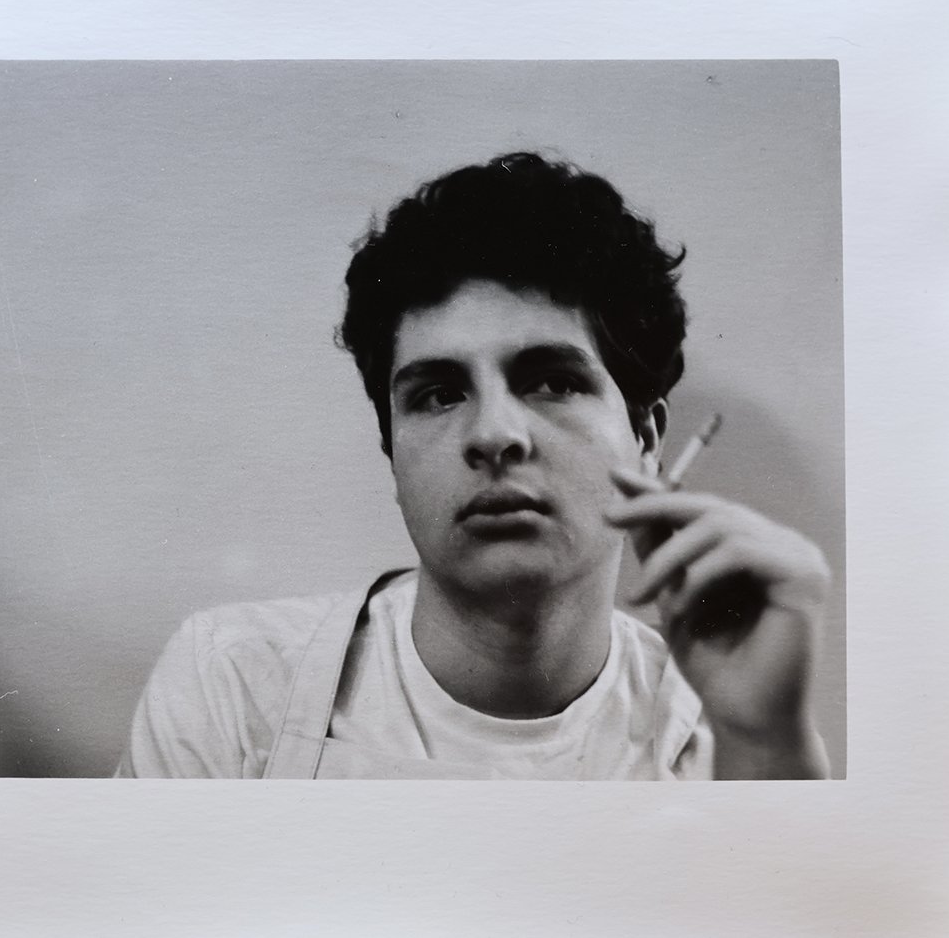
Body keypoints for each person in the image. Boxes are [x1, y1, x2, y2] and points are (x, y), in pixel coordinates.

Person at [117, 152, 831, 780]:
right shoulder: (233, 680)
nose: (493, 435)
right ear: (392, 453)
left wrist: (764, 744)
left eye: (551, 382)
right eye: (438, 394)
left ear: (645, 436)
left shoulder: (730, 733)